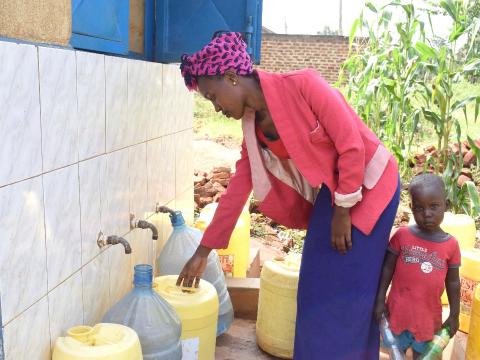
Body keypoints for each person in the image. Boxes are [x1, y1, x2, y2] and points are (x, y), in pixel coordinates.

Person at [178, 31, 400, 359]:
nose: (216, 108)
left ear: (231, 77)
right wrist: (203, 250)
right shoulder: (252, 127)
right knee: (313, 287)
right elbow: (239, 187)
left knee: (350, 292)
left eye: (213, 96)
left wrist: (342, 211)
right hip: (337, 191)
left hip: (371, 183)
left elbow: (350, 143)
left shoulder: (303, 85)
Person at [374, 173, 461, 359]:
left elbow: (453, 283)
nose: (427, 213)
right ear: (411, 208)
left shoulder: (451, 245)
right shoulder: (402, 236)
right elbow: (387, 269)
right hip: (398, 314)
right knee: (396, 353)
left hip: (428, 320)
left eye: (434, 206)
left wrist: (454, 314)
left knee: (426, 355)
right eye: (419, 208)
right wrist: (380, 299)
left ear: (445, 205)